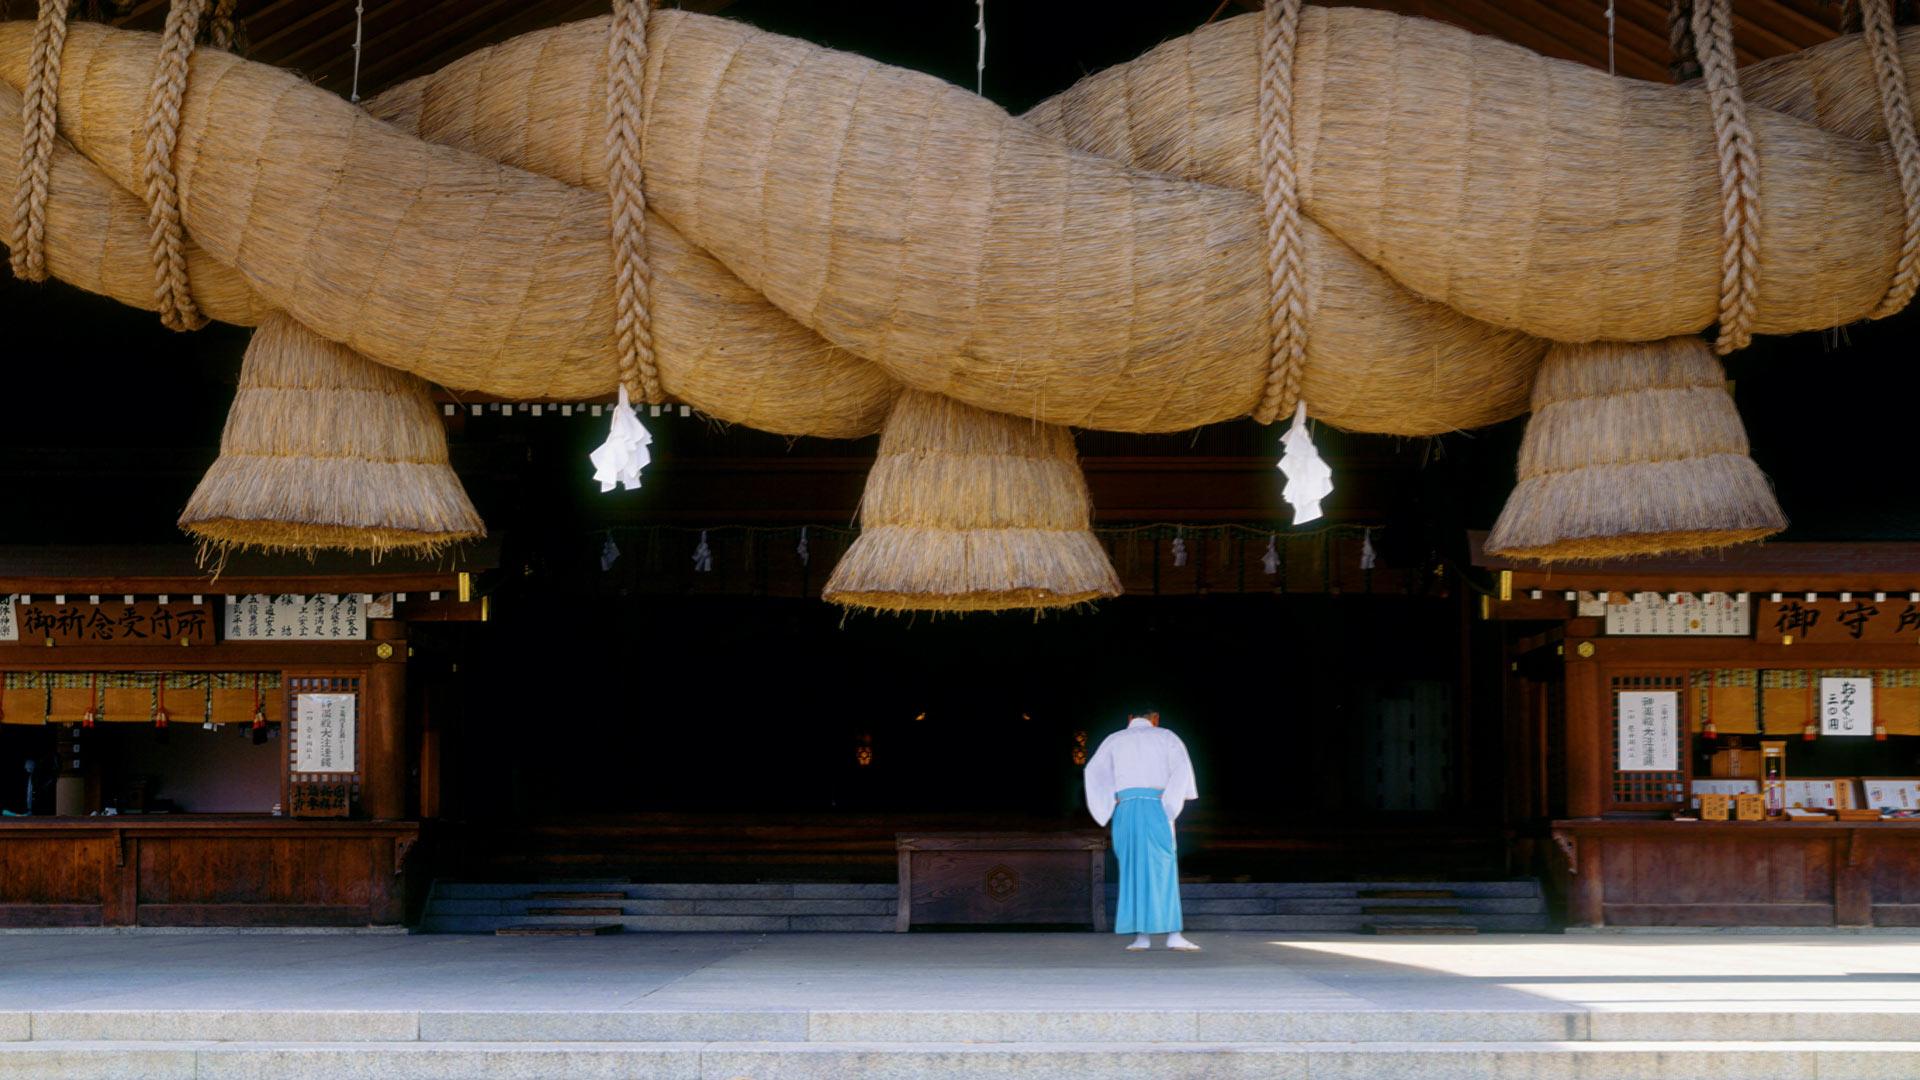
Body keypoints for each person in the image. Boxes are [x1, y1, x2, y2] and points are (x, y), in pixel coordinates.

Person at [1083, 707, 1199, 951]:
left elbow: (1092, 771)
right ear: (1155, 718)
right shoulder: (1167, 736)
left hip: (1126, 807)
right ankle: (1173, 935)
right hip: (1156, 804)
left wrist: (1110, 799)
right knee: (1162, 868)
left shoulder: (1114, 740)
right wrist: (1170, 803)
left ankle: (1141, 937)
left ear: (1129, 718)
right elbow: (1181, 771)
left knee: (1132, 869)